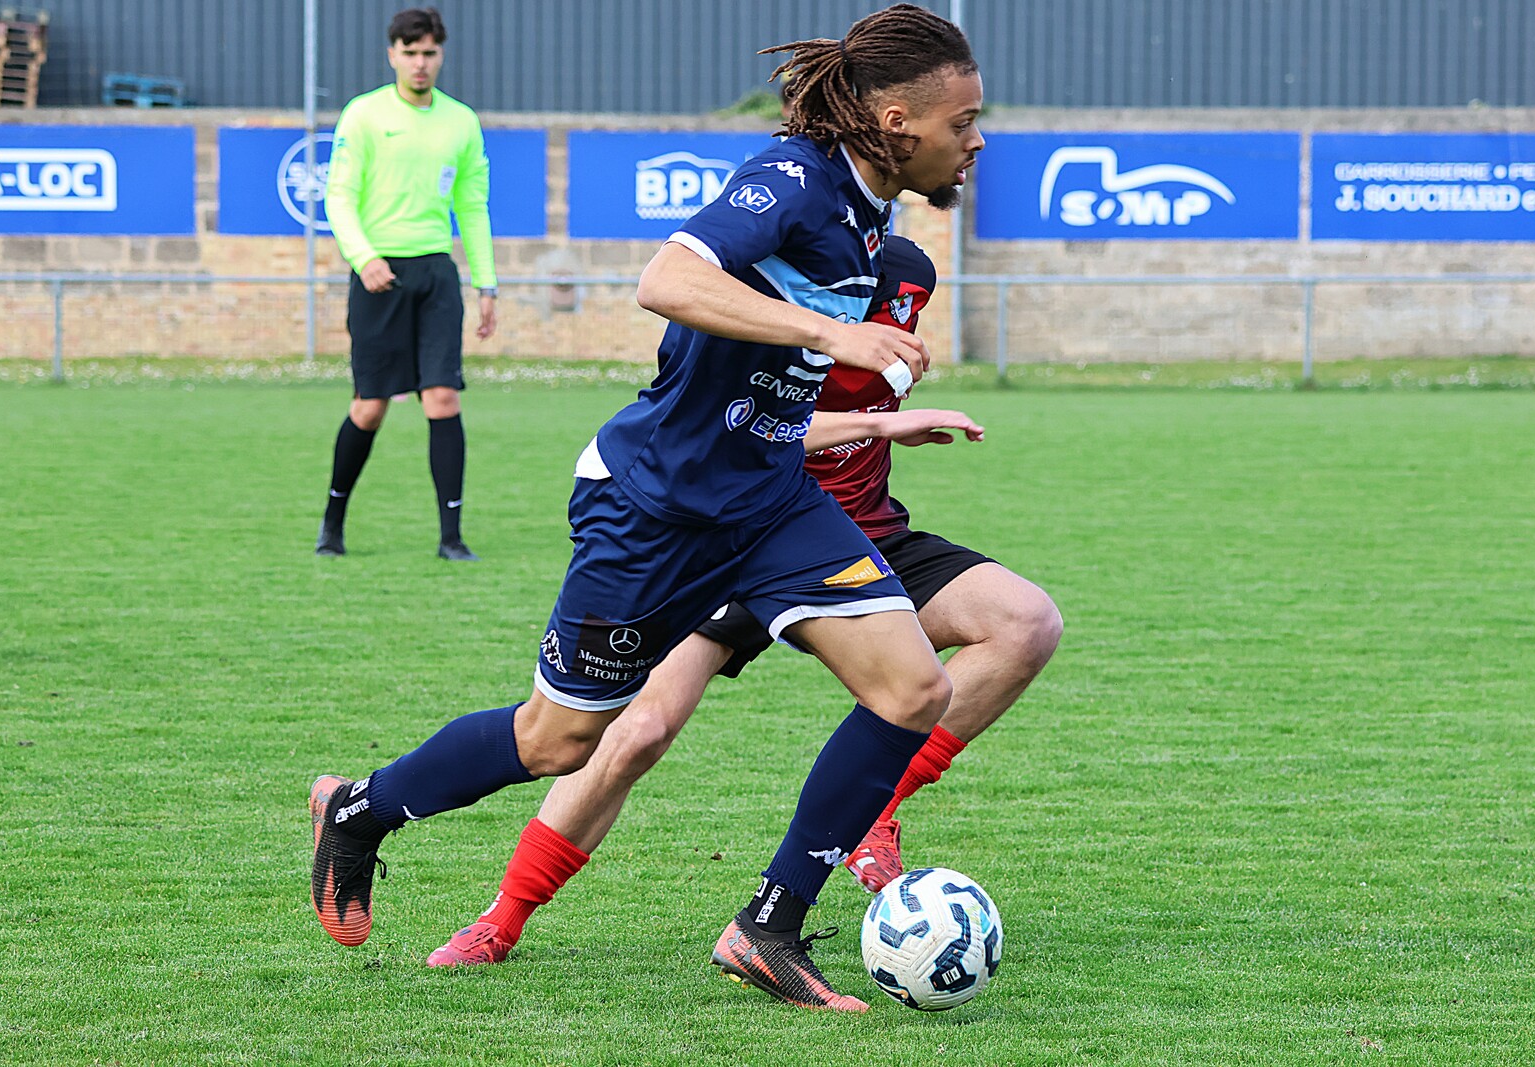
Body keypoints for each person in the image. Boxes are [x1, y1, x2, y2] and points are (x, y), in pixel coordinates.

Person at [308, 3, 985, 1012]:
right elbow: (666, 279)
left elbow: (762, 391)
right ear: (896, 122)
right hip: (655, 508)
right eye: (962, 122)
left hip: (769, 501)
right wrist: (830, 334)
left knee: (912, 688)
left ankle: (767, 926)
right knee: (557, 741)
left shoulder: (871, 206)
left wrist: (874, 422)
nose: (976, 141)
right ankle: (362, 808)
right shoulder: (794, 178)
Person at [425, 235, 1063, 980]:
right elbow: (746, 428)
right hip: (739, 536)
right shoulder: (764, 293)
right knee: (635, 732)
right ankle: (502, 917)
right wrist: (877, 421)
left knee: (1023, 622)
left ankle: (874, 815)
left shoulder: (906, 273)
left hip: (859, 536)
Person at [315, 6, 498, 562]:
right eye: (410, 52)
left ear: (441, 55)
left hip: (436, 272)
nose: (420, 63)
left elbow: (472, 206)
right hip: (379, 276)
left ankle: (451, 538)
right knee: (370, 406)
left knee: (442, 397)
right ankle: (332, 524)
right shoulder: (364, 114)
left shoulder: (461, 121)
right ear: (393, 54)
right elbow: (339, 196)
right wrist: (364, 257)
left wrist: (487, 284)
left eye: (429, 53)